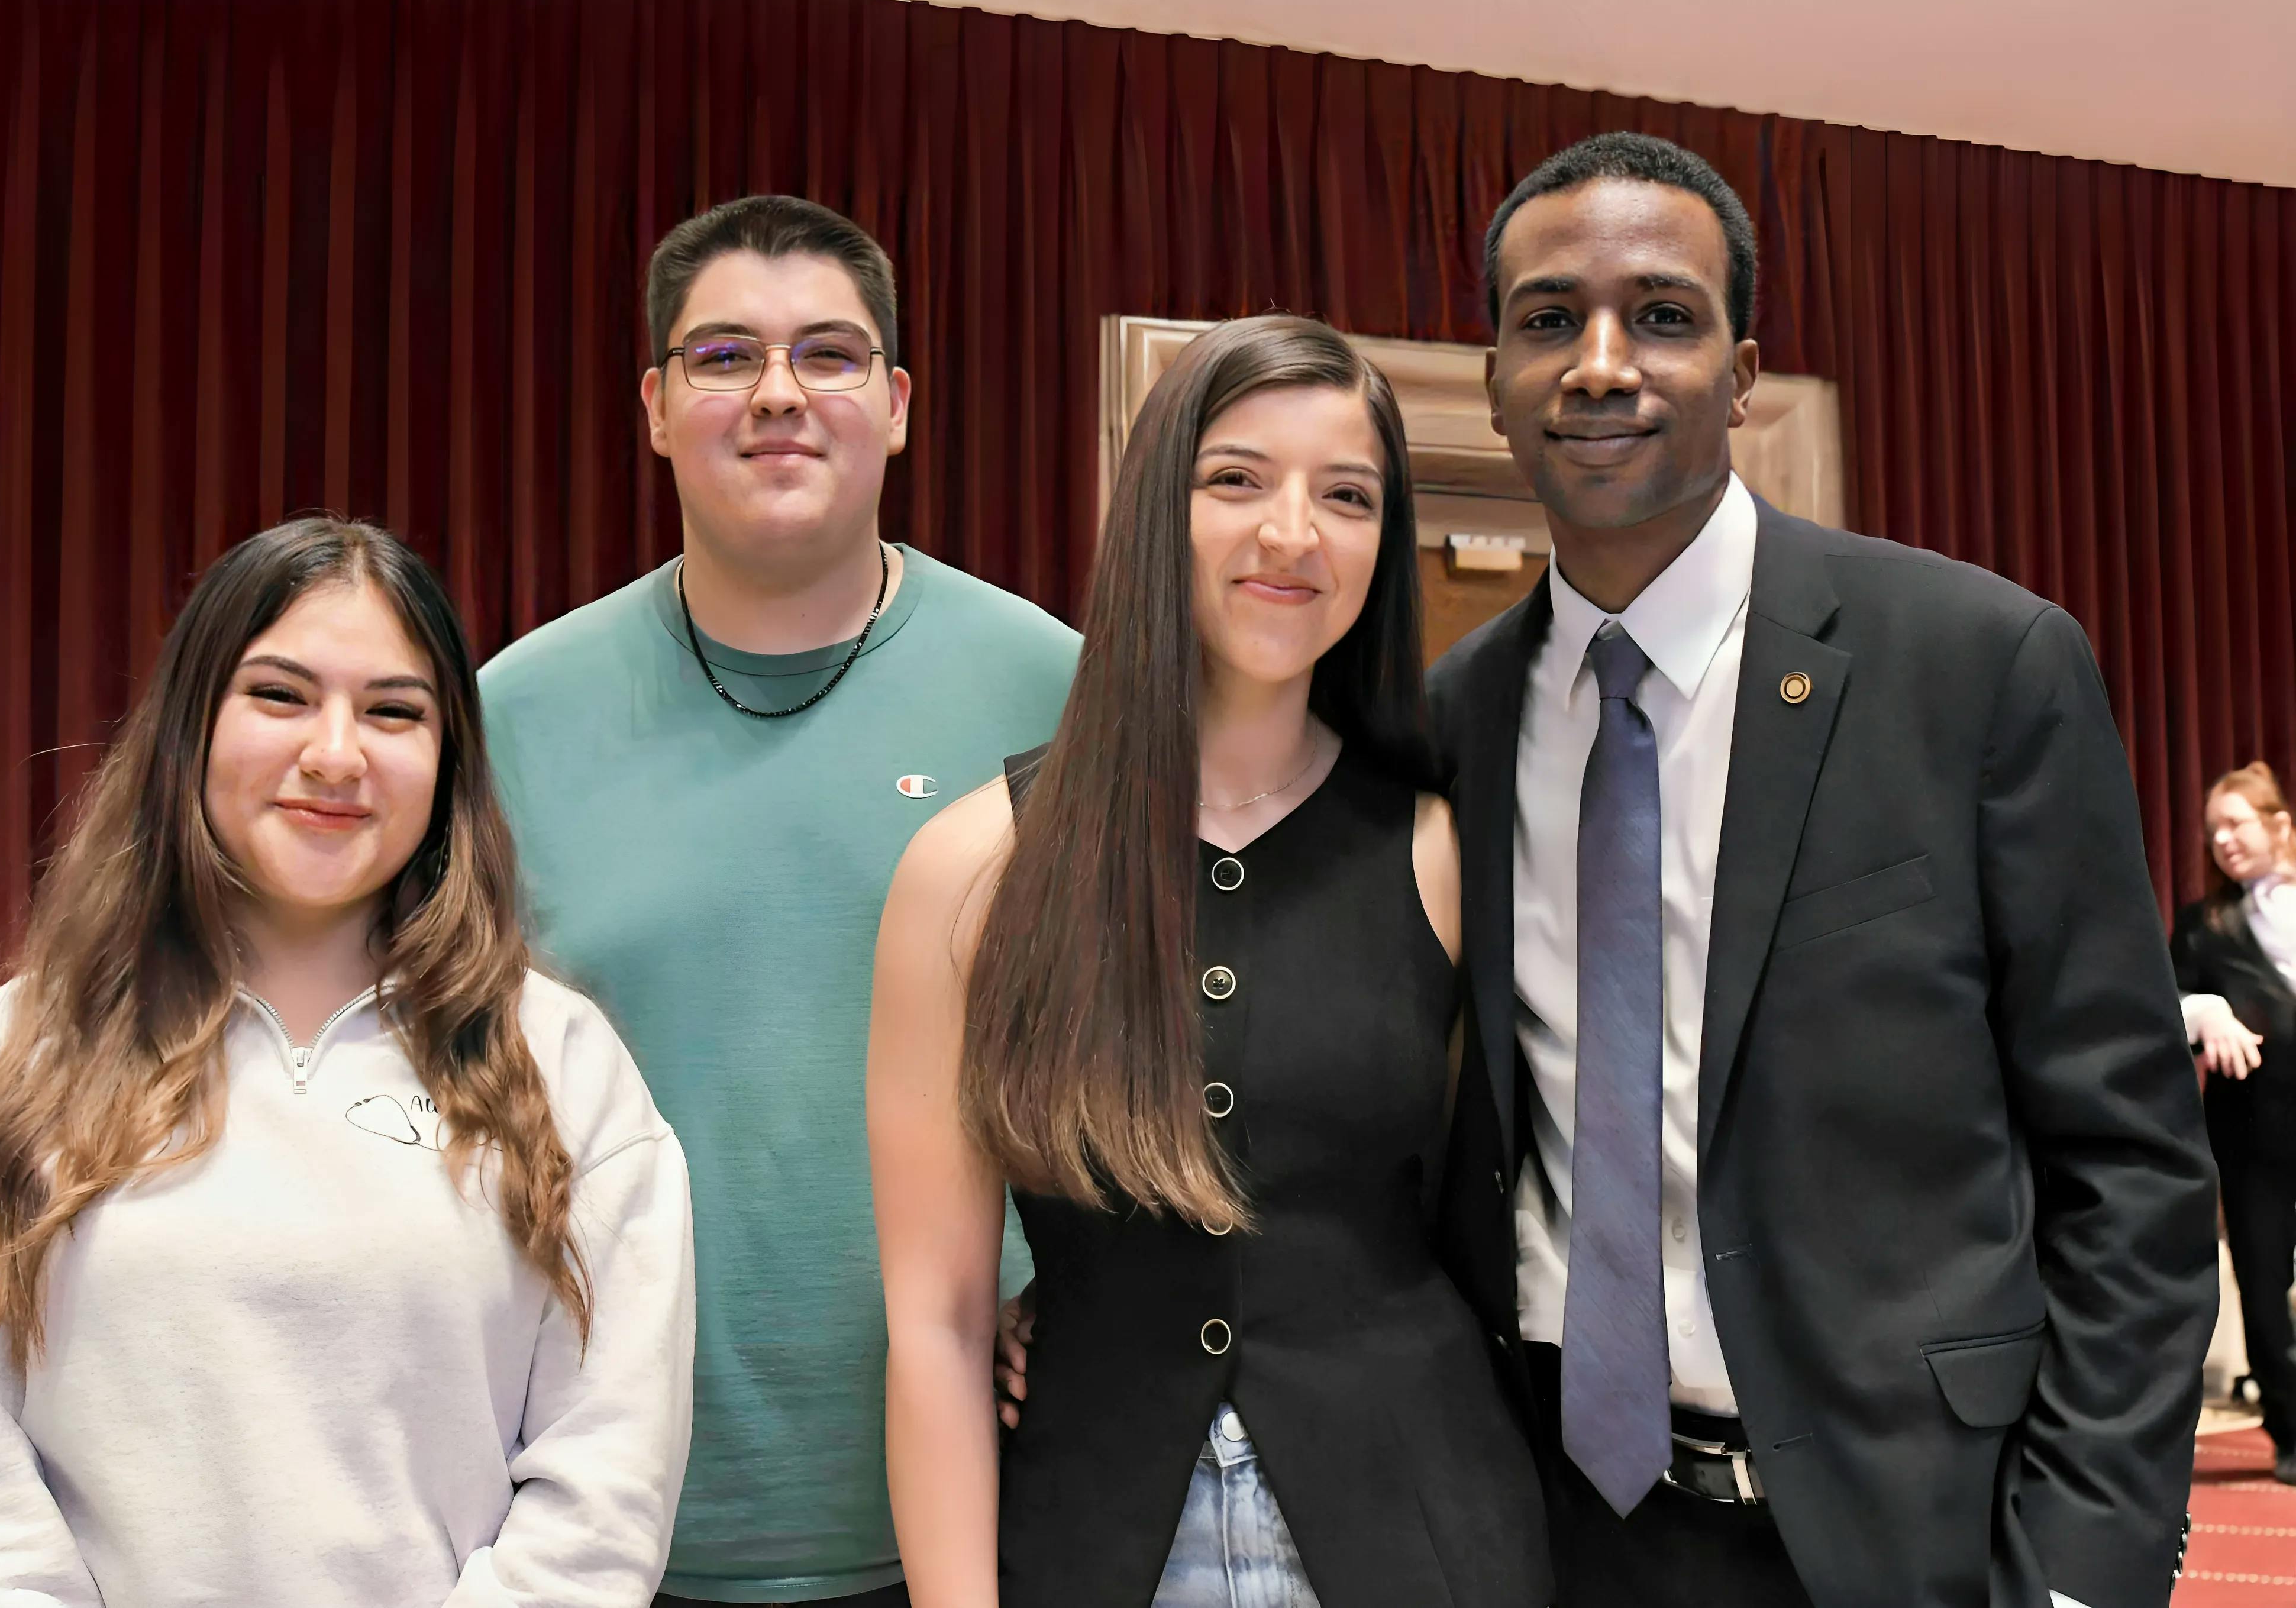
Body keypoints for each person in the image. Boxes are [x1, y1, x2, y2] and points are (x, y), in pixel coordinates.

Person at [1425, 133, 2216, 1607]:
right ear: (1493, 379)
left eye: (1662, 315)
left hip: (1915, 1537)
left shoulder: (1977, 665)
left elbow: (2130, 1162)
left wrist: (2080, 1568)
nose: (1600, 364)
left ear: (1741, 374)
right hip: (1558, 1531)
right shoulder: (1452, 717)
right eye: (1548, 319)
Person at [0, 519, 694, 1606]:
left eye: (394, 711)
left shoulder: (564, 1066)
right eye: (281, 695)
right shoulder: (9, 1060)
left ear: (448, 760)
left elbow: (603, 1489)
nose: (337, 754)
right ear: (190, 727)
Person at [873, 314, 1551, 1608]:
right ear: (1154, 509)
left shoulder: (1446, 851)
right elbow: (937, 1323)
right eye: (1236, 478)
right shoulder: (971, 870)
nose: (1293, 533)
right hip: (1093, 1536)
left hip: (1425, 1532)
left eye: (1346, 496)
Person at [479, 195, 1077, 1607]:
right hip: (604, 1519)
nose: (778, 394)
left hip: (982, 1512)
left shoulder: (1055, 689)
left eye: (828, 354)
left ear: (899, 404)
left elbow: (1154, 1056)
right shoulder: (514, 712)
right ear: (654, 407)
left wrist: (1089, 1280)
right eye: (723, 356)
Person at [2174, 762, 2296, 1481]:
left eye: (2235, 823)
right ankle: (2292, 1432)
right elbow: (2161, 1007)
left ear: (2279, 824)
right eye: (2212, 829)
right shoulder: (2203, 926)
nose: (2221, 839)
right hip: (2253, 1132)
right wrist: (2204, 1010)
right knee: (2262, 1281)